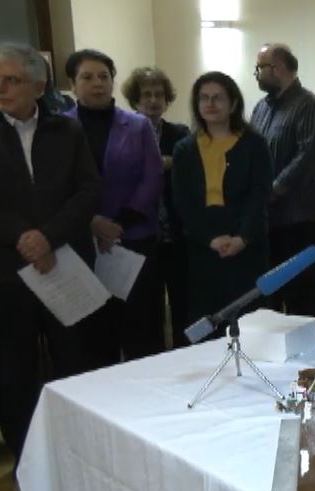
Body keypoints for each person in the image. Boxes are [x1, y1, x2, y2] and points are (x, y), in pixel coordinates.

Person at [0, 44, 99, 460]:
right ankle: (28, 454)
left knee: (74, 359)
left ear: (39, 86)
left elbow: (87, 190)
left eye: (12, 80)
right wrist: (25, 238)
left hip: (63, 261)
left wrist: (49, 236)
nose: (0, 87)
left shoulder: (68, 130)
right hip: (6, 270)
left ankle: (78, 446)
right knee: (15, 367)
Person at [63, 50, 164, 365]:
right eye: (87, 77)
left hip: (134, 238)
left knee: (141, 329)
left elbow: (152, 177)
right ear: (72, 84)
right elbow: (58, 184)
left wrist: (117, 224)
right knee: (93, 331)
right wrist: (93, 222)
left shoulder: (137, 126)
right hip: (83, 241)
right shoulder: (59, 128)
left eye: (104, 77)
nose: (97, 84)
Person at [172, 72, 273, 328]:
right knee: (208, 319)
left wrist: (242, 237)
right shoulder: (185, 148)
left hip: (246, 242)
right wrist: (209, 238)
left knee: (250, 320)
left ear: (233, 104)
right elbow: (184, 202)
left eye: (218, 98)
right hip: (203, 245)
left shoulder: (254, 144)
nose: (210, 104)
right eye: (204, 98)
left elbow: (259, 194)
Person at [250, 44, 315, 318]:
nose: (257, 74)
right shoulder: (261, 108)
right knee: (268, 298)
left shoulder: (310, 106)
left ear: (278, 68)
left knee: (301, 299)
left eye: (259, 68)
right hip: (267, 220)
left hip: (298, 220)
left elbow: (308, 160)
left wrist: (270, 192)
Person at [123, 67, 191, 347]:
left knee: (183, 304)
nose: (153, 101)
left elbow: (189, 170)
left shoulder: (180, 133)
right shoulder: (124, 132)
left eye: (159, 95)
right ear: (135, 100)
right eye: (147, 95)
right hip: (140, 232)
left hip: (175, 231)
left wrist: (171, 163)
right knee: (147, 310)